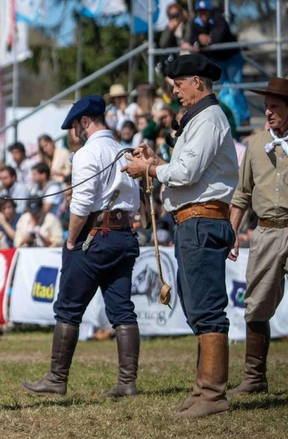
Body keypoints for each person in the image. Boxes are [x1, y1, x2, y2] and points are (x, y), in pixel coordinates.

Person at [123, 54, 239, 418]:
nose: (175, 91)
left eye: (179, 85)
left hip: (202, 221)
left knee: (207, 308)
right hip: (194, 221)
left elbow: (186, 173)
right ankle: (204, 388)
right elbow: (186, 170)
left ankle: (213, 394)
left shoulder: (209, 118)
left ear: (197, 83)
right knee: (196, 306)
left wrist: (150, 168)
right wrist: (156, 162)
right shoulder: (201, 120)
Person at [23, 94, 142, 399]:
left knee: (68, 308)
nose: (74, 132)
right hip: (124, 235)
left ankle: (57, 378)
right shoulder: (124, 151)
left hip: (95, 236)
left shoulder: (89, 153)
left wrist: (72, 239)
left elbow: (82, 204)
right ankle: (127, 381)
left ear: (85, 121)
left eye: (75, 126)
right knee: (122, 310)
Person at [226, 77, 288, 397]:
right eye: (266, 106)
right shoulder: (255, 144)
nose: (268, 112)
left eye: (275, 106)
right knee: (256, 304)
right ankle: (254, 378)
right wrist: (232, 231)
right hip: (265, 230)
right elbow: (242, 194)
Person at [189, 0, 248, 127]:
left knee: (235, 88)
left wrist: (201, 41)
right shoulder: (194, 23)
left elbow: (217, 38)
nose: (203, 14)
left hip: (231, 57)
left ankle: (243, 120)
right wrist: (199, 39)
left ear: (210, 11)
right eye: (200, 12)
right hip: (217, 60)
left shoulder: (219, 19)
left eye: (205, 11)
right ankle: (229, 119)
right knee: (222, 90)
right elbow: (191, 39)